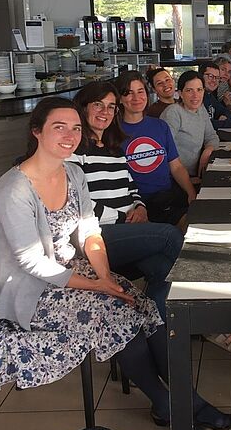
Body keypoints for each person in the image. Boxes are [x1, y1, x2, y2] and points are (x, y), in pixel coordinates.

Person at [0, 96, 230, 430]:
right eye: (59, 127)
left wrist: (104, 275)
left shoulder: (72, 172)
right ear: (37, 131)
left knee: (143, 308)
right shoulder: (13, 189)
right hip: (35, 293)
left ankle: (185, 403)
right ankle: (171, 405)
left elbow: (89, 231)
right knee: (118, 316)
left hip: (76, 272)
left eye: (75, 128)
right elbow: (32, 262)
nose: (69, 136)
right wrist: (98, 285)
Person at [70, 81, 182, 320]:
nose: (105, 112)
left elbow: (131, 186)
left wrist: (140, 207)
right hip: (97, 235)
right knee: (170, 235)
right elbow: (79, 204)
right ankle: (213, 304)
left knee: (164, 269)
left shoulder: (114, 148)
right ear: (83, 107)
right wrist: (124, 218)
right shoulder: (74, 150)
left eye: (111, 107)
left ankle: (153, 325)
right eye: (98, 105)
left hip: (127, 228)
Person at [116, 71, 196, 225]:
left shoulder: (160, 126)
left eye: (140, 91)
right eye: (129, 93)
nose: (136, 98)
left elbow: (176, 166)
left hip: (167, 199)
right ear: (120, 98)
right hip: (135, 206)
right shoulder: (114, 132)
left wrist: (191, 193)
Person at [161, 70, 220, 179]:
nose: (195, 95)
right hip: (177, 179)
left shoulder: (201, 109)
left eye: (199, 90)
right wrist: (186, 181)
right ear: (180, 94)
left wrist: (207, 151)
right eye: (189, 90)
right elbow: (164, 151)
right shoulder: (173, 113)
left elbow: (211, 136)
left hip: (198, 174)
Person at [200, 61, 231, 129]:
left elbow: (225, 111)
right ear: (200, 76)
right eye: (210, 76)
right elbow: (204, 124)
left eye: (217, 78)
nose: (214, 80)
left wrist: (225, 117)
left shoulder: (209, 95)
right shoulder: (197, 97)